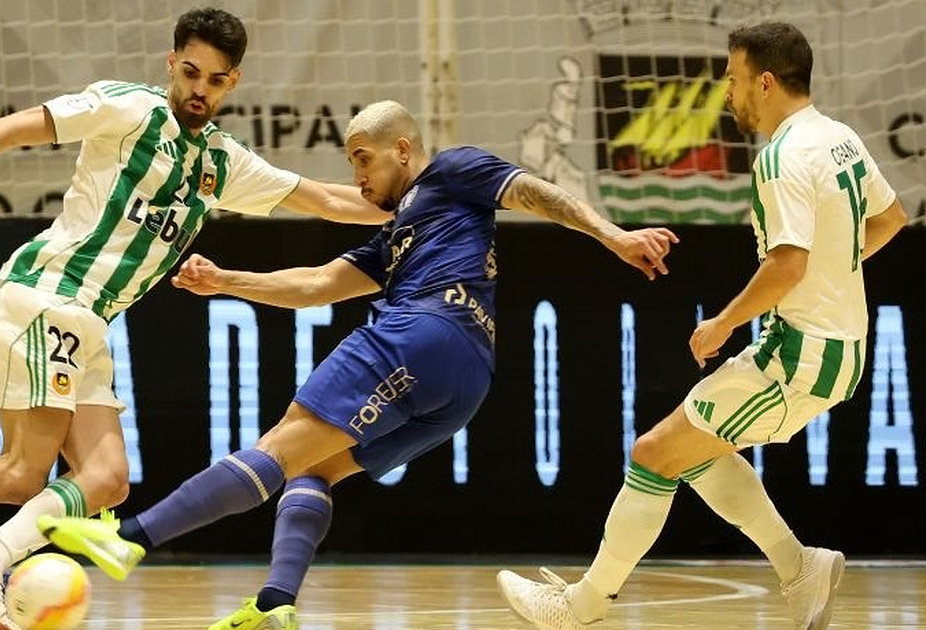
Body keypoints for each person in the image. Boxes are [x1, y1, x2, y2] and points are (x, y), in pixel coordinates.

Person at [0, 8, 390, 630]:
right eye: (190, 72)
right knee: (22, 474)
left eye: (214, 80)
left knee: (106, 480)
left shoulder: (221, 162)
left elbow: (334, 201)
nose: (199, 90)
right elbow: (15, 129)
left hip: (87, 324)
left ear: (232, 84)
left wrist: (422, 194)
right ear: (170, 64)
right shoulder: (128, 110)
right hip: (49, 297)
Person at [36, 99, 678, 630]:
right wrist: (227, 280)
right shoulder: (400, 233)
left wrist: (615, 236)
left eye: (364, 160)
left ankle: (130, 538)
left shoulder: (451, 171)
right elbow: (317, 284)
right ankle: (276, 603)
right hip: (466, 379)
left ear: (403, 149)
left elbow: (536, 193)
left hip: (421, 331)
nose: (359, 177)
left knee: (283, 444)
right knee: (314, 468)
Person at [496, 21, 908, 630]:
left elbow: (787, 264)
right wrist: (835, 270)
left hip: (800, 354)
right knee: (693, 450)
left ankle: (578, 608)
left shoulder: (782, 156)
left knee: (653, 453)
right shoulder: (839, 136)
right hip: (837, 347)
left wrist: (722, 323)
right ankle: (799, 567)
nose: (726, 92)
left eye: (733, 79)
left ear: (765, 83)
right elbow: (892, 218)